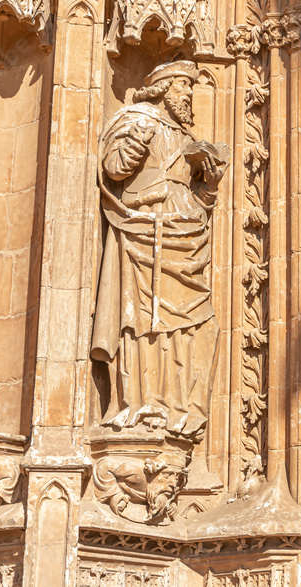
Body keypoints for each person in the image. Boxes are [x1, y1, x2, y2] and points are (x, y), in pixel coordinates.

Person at [91, 60, 228, 441]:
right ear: (165, 87)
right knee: (142, 319)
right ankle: (140, 402)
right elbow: (114, 169)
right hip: (145, 229)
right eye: (184, 88)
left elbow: (200, 201)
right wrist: (138, 137)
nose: (189, 96)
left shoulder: (187, 138)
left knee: (195, 322)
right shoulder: (137, 118)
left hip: (185, 235)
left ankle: (179, 407)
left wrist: (211, 184)